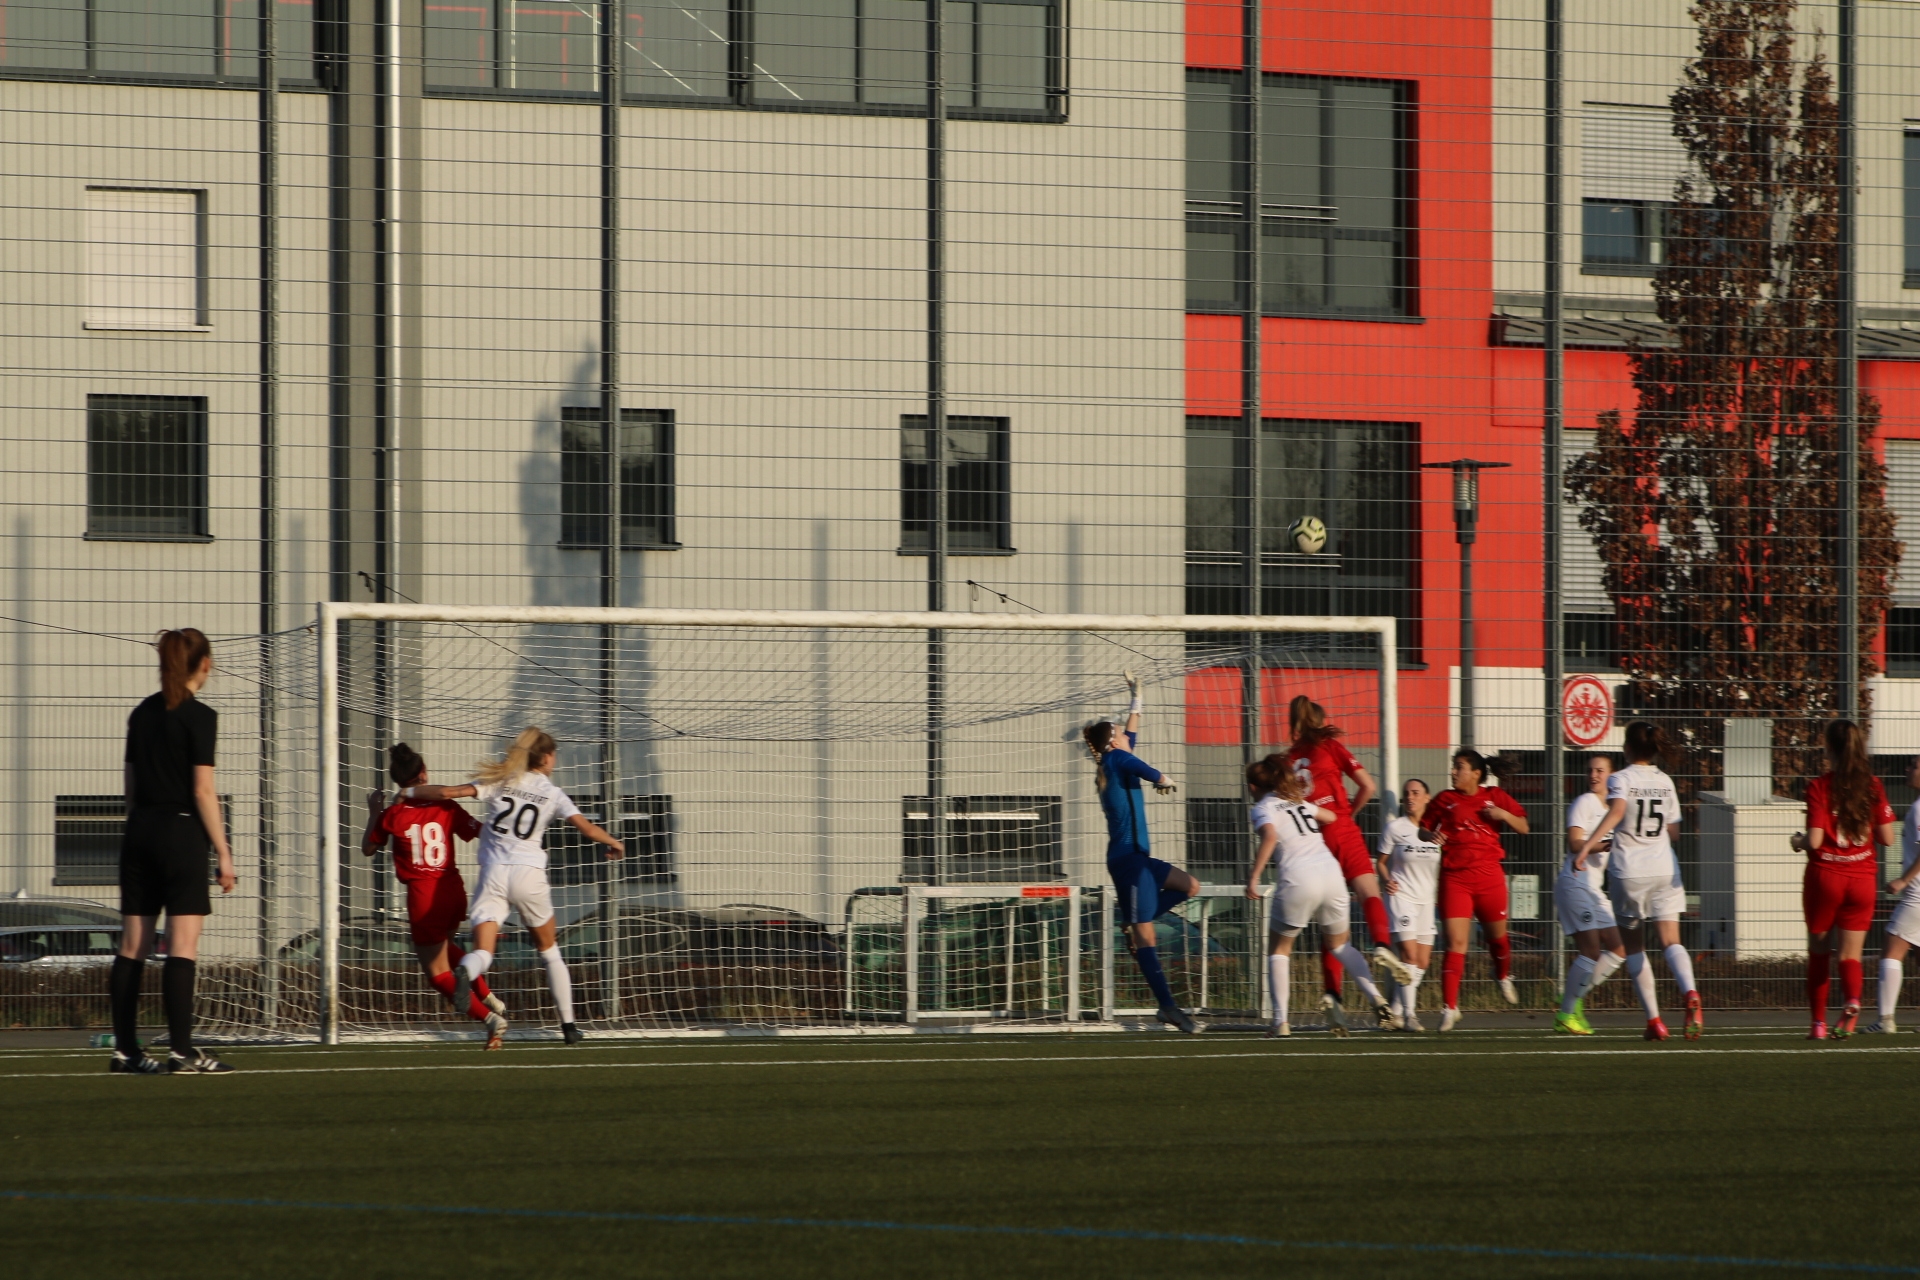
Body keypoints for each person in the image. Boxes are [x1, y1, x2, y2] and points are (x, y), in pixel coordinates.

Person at [404, 727, 624, 1044]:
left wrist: (407, 794)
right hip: (529, 875)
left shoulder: (500, 780)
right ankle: (569, 1027)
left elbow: (446, 793)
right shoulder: (552, 793)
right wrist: (614, 842)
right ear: (547, 758)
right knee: (549, 952)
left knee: (484, 951)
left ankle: (467, 970)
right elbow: (586, 828)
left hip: (493, 874)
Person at [108, 628, 237, 1074]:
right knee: (181, 946)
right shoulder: (200, 716)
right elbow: (203, 791)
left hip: (139, 830)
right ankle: (182, 1052)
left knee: (132, 945)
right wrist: (223, 851)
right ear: (205, 664)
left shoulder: (141, 713)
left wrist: (142, 824)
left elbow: (129, 787)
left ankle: (126, 1051)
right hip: (180, 834)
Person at [361, 742, 510, 1049]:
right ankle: (486, 995)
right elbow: (478, 831)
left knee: (436, 972)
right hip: (453, 891)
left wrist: (375, 811)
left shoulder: (392, 815)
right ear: (424, 774)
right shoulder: (446, 806)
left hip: (424, 896)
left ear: (399, 782)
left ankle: (489, 1018)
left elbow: (368, 848)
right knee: (447, 951)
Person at [1085, 671, 1200, 1034]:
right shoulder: (1116, 762)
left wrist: (1136, 696)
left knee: (1190, 886)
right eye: (1120, 731)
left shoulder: (1115, 757)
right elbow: (1140, 765)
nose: (1126, 734)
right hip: (1127, 862)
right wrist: (1161, 778)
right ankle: (1169, 1007)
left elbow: (1131, 737)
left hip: (1139, 859)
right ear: (1113, 742)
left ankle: (1134, 923)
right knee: (1147, 934)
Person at [1284, 697, 1412, 1019]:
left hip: (1312, 841)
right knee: (1369, 891)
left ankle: (1332, 994)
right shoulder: (1329, 746)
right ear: (1319, 721)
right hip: (1340, 826)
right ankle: (1381, 944)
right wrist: (1348, 813)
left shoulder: (1286, 760)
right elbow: (1367, 786)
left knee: (1332, 925)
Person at [1245, 755, 1390, 1037]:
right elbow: (1332, 816)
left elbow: (1271, 837)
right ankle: (1376, 997)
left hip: (1299, 878)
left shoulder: (1263, 806)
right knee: (1339, 946)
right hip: (1331, 874)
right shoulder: (1297, 801)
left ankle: (1281, 1022)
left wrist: (1253, 878)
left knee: (1279, 951)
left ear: (1252, 788)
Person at [1577, 721, 1702, 1041]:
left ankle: (1655, 1021)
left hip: (1630, 871)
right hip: (1665, 870)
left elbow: (1617, 812)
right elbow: (1674, 832)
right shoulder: (1666, 781)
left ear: (1628, 748)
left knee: (1634, 947)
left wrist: (1588, 847)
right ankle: (1690, 992)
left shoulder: (1621, 778)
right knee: (1672, 941)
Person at [1790, 720, 1897, 1040]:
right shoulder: (1873, 785)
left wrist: (1796, 841)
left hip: (1826, 876)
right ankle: (1852, 1000)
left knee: (1820, 951)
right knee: (1850, 956)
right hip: (1862, 880)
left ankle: (1818, 1025)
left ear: (1829, 749)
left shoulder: (1820, 786)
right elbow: (1888, 838)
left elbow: (1814, 838)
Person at [1420, 749, 1529, 1032]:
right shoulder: (1445, 799)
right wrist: (1430, 835)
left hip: (1489, 877)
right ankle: (1450, 1008)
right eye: (1454, 767)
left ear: (1476, 774)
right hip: (1455, 879)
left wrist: (1503, 814)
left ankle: (1503, 975)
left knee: (1498, 939)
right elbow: (1422, 828)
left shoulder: (1495, 796)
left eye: (1459, 767)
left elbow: (1524, 827)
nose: (1454, 772)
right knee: (1456, 944)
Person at [1555, 754, 1627, 1035]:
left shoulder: (1616, 810)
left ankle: (1573, 998)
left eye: (1600, 770)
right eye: (1590, 771)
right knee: (1592, 951)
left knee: (1619, 948)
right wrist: (1605, 845)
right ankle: (1565, 1012)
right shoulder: (1584, 802)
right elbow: (1575, 844)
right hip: (1574, 884)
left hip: (1593, 890)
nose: (1594, 775)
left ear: (1612, 774)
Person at [1375, 778, 1441, 1031]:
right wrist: (1386, 880)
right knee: (1409, 956)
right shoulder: (1395, 828)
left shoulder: (1437, 830)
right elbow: (1381, 862)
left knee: (1422, 962)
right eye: (1406, 794)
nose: (1410, 798)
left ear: (1427, 797)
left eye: (1416, 793)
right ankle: (1411, 1016)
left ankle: (1397, 1011)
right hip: (1402, 898)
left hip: (1427, 901)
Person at [1870, 755, 1920, 1033]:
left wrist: (1903, 879)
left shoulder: (1919, 807)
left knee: (1891, 950)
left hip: (1917, 895)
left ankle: (1885, 1020)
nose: (1908, 769)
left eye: (1914, 766)